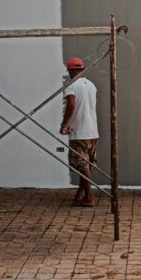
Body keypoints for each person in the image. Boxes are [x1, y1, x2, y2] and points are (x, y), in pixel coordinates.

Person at [59, 57, 98, 207]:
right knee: (86, 165)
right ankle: (80, 194)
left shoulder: (71, 86)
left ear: (71, 70)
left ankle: (88, 198)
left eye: (69, 70)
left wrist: (64, 124)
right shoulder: (91, 85)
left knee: (82, 166)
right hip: (93, 132)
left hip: (79, 132)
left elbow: (71, 104)